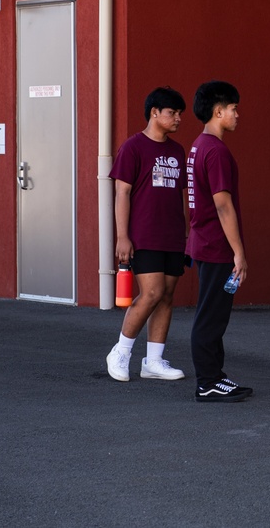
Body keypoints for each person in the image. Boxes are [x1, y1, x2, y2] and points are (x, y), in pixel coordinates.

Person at [105, 87, 189, 382]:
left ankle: (153, 361)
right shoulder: (133, 147)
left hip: (172, 235)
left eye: (180, 113)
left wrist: (187, 232)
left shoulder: (177, 151)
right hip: (144, 234)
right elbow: (122, 192)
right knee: (151, 293)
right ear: (155, 112)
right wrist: (122, 236)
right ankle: (121, 351)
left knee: (166, 297)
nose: (178, 118)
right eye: (173, 113)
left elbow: (181, 196)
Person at [187, 80, 252, 402]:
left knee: (213, 314)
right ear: (218, 111)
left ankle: (215, 376)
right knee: (211, 316)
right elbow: (222, 204)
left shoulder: (200, 145)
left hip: (205, 242)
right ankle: (207, 382)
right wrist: (239, 252)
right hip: (215, 246)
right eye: (234, 109)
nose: (238, 114)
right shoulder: (215, 151)